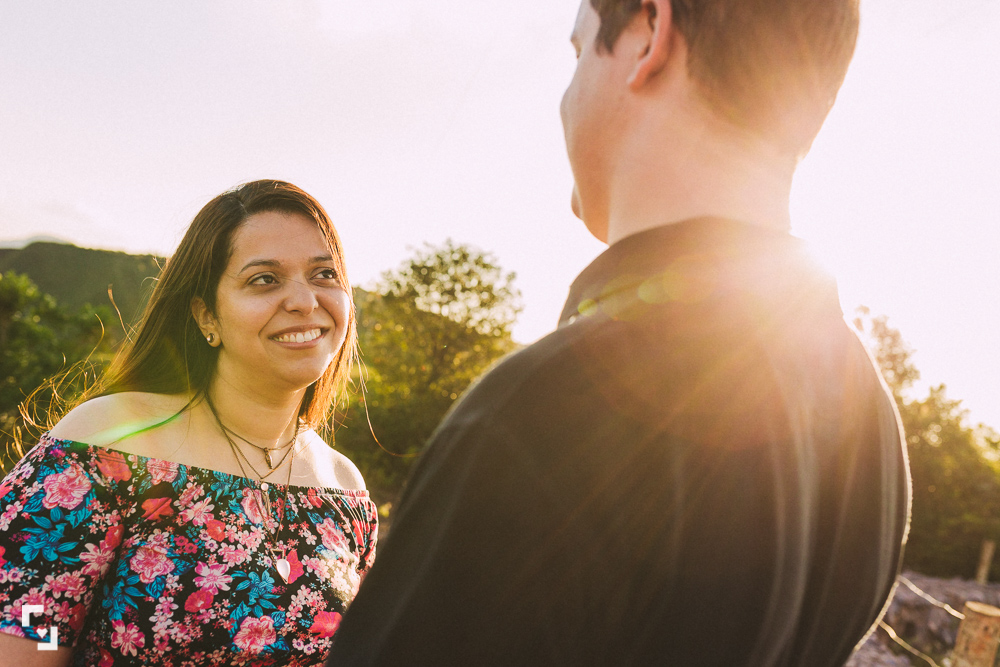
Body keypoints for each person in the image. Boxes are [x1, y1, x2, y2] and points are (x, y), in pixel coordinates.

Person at [327, 0, 910, 665]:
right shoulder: (872, 420)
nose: (567, 96)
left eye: (578, 55)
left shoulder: (550, 410)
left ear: (648, 36)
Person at [0, 180, 377, 666]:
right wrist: (47, 649)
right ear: (206, 316)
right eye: (264, 279)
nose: (305, 301)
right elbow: (31, 613)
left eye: (324, 274)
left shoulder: (345, 491)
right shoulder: (109, 443)